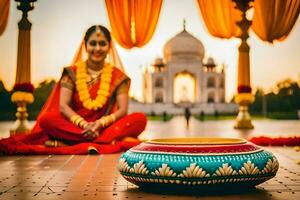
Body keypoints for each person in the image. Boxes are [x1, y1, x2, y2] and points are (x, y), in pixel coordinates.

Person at [0, 25, 147, 155]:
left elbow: (122, 110)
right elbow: (63, 106)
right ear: (85, 46)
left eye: (102, 44)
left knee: (140, 118)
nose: (97, 48)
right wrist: (84, 125)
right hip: (74, 126)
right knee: (47, 120)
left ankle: (74, 142)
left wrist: (99, 124)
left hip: (104, 127)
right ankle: (104, 142)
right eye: (93, 43)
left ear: (109, 47)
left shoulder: (118, 77)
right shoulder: (72, 73)